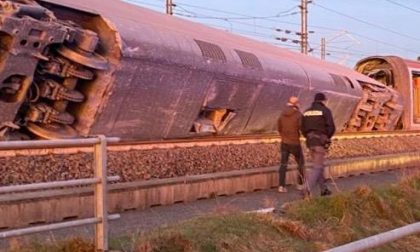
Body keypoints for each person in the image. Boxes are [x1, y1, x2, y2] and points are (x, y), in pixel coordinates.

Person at [301, 92, 336, 197]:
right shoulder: (325, 111)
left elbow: (302, 128)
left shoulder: (306, 112)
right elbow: (331, 127)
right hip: (319, 142)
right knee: (317, 167)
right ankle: (306, 189)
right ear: (323, 100)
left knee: (319, 165)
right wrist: (326, 138)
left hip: (310, 141)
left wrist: (308, 136)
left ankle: (324, 189)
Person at [277, 96, 305, 193]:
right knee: (301, 163)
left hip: (284, 142)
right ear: (296, 104)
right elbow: (302, 127)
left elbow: (279, 127)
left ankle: (281, 186)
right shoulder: (298, 114)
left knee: (283, 164)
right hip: (295, 143)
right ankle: (300, 184)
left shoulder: (282, 113)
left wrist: (284, 136)